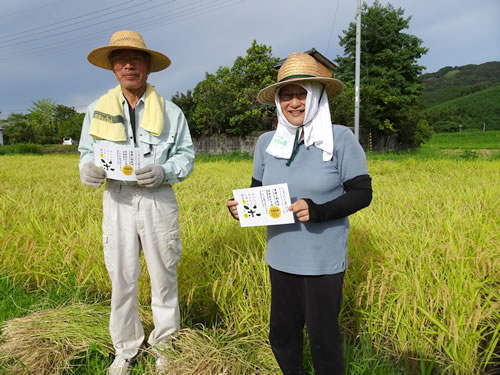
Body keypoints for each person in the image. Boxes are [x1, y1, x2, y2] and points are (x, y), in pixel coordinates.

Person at [227, 52, 372, 375]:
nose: (294, 102)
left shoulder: (340, 139)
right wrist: (242, 208)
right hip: (280, 257)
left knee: (323, 339)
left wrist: (318, 211)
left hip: (322, 261)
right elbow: (258, 193)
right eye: (287, 95)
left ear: (318, 96)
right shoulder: (267, 143)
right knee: (281, 334)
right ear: (278, 102)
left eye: (302, 93)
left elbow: (362, 193)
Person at [78, 30, 194, 375]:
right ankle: (125, 349)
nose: (128, 65)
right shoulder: (96, 110)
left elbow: (185, 156)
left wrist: (164, 170)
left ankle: (165, 348)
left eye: (136, 58)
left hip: (157, 199)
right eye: (120, 59)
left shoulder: (171, 112)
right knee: (122, 278)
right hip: (116, 198)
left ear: (148, 66)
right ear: (112, 67)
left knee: (163, 276)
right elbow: (86, 152)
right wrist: (86, 169)